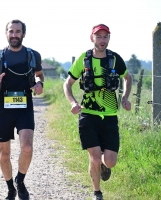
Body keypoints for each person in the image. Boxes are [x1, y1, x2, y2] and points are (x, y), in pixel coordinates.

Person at [63, 24, 132, 200]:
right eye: (99, 36)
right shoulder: (84, 59)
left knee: (110, 161)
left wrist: (125, 98)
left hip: (109, 117)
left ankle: (104, 164)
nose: (102, 40)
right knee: (94, 157)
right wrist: (72, 102)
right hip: (88, 116)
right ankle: (97, 193)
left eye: (105, 37)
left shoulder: (115, 59)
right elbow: (67, 83)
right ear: (92, 38)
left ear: (109, 38)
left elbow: (127, 78)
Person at [0, 19, 44, 200]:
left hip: (25, 105)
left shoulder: (33, 55)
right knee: (4, 153)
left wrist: (40, 84)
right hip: (4, 107)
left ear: (23, 34)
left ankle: (20, 181)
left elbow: (39, 75)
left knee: (27, 147)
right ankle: (10, 189)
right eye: (11, 31)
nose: (14, 35)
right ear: (6, 33)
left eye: (17, 31)